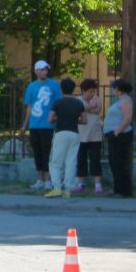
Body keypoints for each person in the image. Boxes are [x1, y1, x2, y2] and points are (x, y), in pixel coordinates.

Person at [20, 60, 62, 190]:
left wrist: (56, 118)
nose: (45, 72)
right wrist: (24, 125)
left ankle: (48, 180)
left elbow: (58, 104)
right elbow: (29, 107)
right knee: (37, 153)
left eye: (46, 70)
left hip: (48, 125)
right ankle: (40, 179)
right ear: (36, 71)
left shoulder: (54, 85)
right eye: (42, 69)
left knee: (47, 153)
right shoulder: (31, 86)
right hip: (34, 125)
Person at [45, 78, 86, 198]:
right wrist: (74, 119)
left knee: (55, 162)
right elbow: (84, 120)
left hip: (60, 133)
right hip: (74, 133)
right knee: (71, 161)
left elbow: (50, 119)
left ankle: (57, 188)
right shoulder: (79, 103)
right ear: (73, 89)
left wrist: (60, 118)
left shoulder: (58, 103)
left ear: (61, 89)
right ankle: (68, 189)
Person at [103, 79, 133, 198]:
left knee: (119, 163)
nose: (113, 90)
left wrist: (116, 132)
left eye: (114, 88)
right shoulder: (120, 100)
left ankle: (124, 191)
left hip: (121, 135)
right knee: (113, 162)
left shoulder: (125, 101)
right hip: (114, 135)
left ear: (119, 90)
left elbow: (127, 118)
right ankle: (117, 189)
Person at [74, 78, 103, 193]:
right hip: (81, 135)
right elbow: (81, 109)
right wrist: (89, 108)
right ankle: (81, 183)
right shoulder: (78, 100)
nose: (92, 94)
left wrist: (87, 109)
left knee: (95, 159)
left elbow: (97, 109)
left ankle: (98, 184)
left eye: (93, 91)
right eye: (90, 91)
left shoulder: (97, 99)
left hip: (95, 134)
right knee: (81, 159)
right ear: (83, 91)